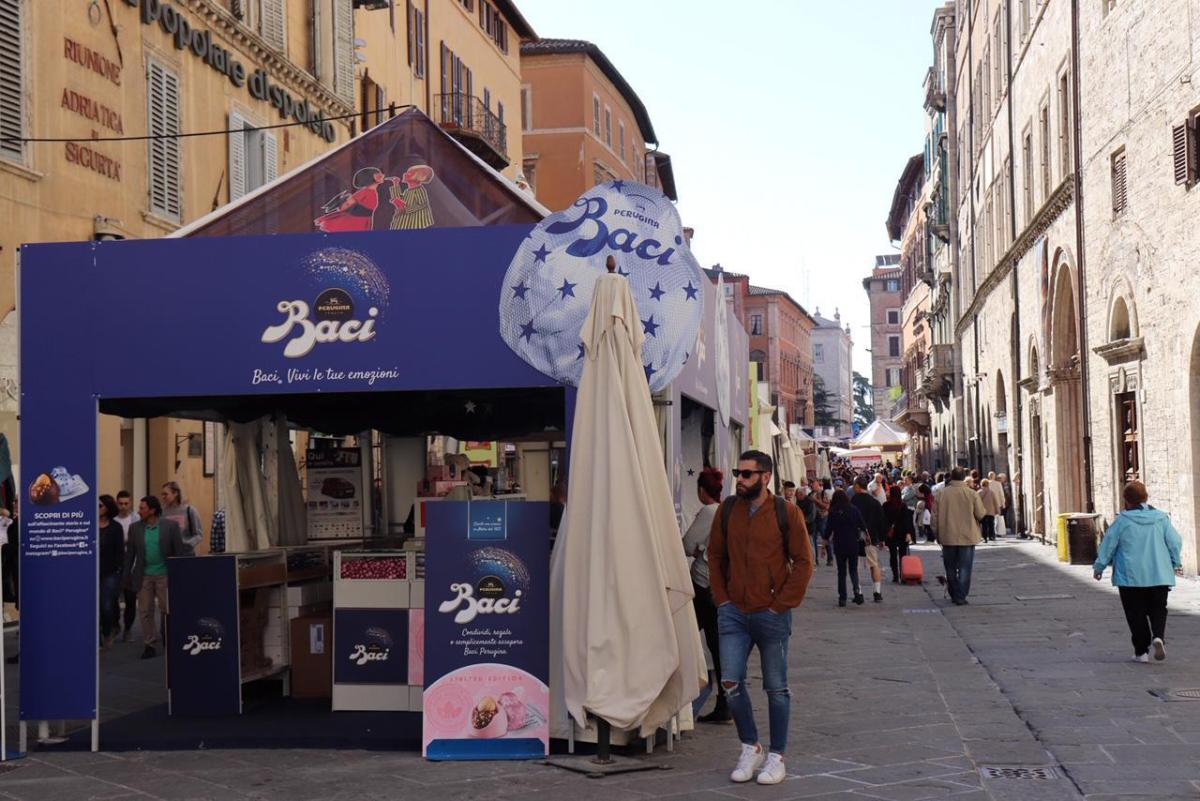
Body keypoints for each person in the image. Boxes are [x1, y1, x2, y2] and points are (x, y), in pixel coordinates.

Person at [707, 450, 814, 785]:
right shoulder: (727, 511)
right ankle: (750, 746)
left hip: (771, 614)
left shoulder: (787, 512)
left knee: (776, 688)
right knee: (730, 682)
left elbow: (803, 562)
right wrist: (722, 600)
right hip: (734, 613)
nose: (739, 478)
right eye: (739, 472)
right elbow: (715, 556)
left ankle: (777, 756)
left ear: (765, 477)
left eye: (747, 474)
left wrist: (780, 605)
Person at [1093, 481, 1183, 663]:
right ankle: (1158, 636)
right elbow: (1175, 541)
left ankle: (1141, 652)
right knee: (1158, 608)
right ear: (1146, 497)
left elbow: (1108, 544)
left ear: (1126, 500)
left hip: (1130, 576)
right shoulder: (1161, 519)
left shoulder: (1122, 521)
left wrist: (1099, 566)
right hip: (1159, 573)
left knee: (1136, 613)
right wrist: (1176, 561)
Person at [682, 468, 729, 723]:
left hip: (703, 584)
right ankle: (725, 701)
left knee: (684, 635)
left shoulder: (709, 512)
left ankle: (691, 694)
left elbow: (687, 544)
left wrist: (699, 548)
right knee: (717, 644)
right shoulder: (724, 511)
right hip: (718, 585)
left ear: (702, 490)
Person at [125, 496, 186, 659]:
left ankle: (170, 639)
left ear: (152, 510)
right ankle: (149, 644)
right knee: (145, 611)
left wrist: (180, 575)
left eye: (142, 508)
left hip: (164, 575)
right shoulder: (135, 528)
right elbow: (130, 554)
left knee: (167, 609)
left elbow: (179, 552)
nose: (139, 511)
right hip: (144, 574)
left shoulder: (170, 527)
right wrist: (126, 575)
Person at [934, 467, 985, 605]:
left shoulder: (941, 494)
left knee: (950, 567)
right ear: (963, 478)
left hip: (947, 536)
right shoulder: (972, 494)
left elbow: (934, 517)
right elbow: (981, 514)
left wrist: (936, 533)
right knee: (965, 567)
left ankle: (954, 593)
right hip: (967, 536)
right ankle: (961, 595)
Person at [826, 490, 867, 606]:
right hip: (853, 543)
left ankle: (842, 598)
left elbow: (828, 529)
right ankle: (857, 591)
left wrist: (825, 541)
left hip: (839, 544)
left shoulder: (833, 511)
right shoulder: (854, 509)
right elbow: (863, 525)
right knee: (853, 570)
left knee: (841, 572)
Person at [850, 476, 887, 602]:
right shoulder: (874, 502)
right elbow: (881, 522)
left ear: (857, 486)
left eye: (854, 484)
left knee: (856, 567)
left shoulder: (853, 501)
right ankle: (877, 592)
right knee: (874, 564)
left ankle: (858, 592)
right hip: (871, 538)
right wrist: (882, 539)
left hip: (855, 538)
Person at [98, 495, 125, 650]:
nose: (97, 508)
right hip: (92, 572)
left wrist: (119, 571)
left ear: (108, 508)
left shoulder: (115, 527)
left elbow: (120, 552)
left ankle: (108, 632)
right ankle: (97, 639)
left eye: (100, 505)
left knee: (106, 606)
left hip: (110, 572)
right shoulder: (89, 525)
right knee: (93, 607)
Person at [114, 491, 140, 641]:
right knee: (113, 599)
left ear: (130, 503)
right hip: (117, 563)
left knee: (130, 599)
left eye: (126, 503)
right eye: (120, 503)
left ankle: (128, 629)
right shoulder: (113, 520)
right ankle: (116, 624)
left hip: (132, 564)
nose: (123, 506)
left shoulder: (136, 519)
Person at [160, 481, 203, 555]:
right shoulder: (161, 513)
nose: (163, 497)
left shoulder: (189, 510)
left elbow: (198, 535)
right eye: (162, 494)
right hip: (167, 555)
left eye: (165, 494)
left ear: (175, 493)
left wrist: (187, 544)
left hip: (186, 555)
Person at [883, 486, 914, 583]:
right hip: (902, 532)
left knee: (892, 555)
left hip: (891, 533)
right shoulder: (903, 505)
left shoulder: (886, 505)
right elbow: (907, 521)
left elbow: (882, 520)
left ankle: (895, 575)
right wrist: (908, 533)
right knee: (902, 555)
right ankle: (903, 575)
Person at [978, 478, 1001, 543]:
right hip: (991, 511)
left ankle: (984, 537)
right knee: (991, 524)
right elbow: (995, 502)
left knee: (984, 525)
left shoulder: (979, 492)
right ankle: (992, 536)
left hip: (982, 512)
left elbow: (976, 503)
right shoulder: (991, 492)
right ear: (988, 484)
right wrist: (997, 510)